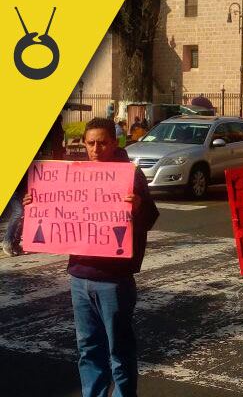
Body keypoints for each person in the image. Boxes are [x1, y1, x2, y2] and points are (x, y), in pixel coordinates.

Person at [23, 117, 159, 397]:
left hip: (114, 278)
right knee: (88, 348)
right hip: (79, 274)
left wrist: (139, 207)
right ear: (84, 144)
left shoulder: (130, 175)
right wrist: (35, 203)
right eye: (91, 143)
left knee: (119, 349)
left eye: (102, 143)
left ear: (114, 143)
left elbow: (150, 217)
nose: (96, 149)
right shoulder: (73, 174)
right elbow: (56, 211)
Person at [2, 177, 25, 257]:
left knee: (24, 215)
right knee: (18, 212)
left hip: (24, 189)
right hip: (13, 189)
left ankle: (15, 243)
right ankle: (7, 241)